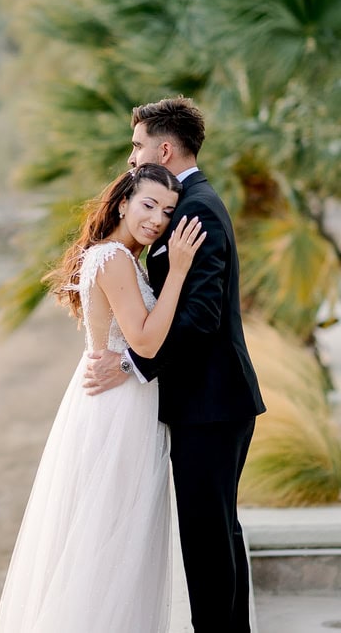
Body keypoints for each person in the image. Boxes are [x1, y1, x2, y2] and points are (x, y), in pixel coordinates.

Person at [0, 163, 205, 633]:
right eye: (148, 205)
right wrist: (181, 271)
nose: (157, 220)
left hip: (122, 399)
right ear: (123, 201)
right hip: (118, 408)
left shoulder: (120, 257)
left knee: (117, 537)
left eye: (168, 212)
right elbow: (146, 342)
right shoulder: (112, 259)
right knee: (111, 537)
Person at [84, 97, 266, 633]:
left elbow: (203, 316)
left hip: (211, 401)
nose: (131, 156)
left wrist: (134, 367)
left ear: (163, 148)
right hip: (210, 400)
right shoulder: (183, 205)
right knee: (217, 534)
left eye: (137, 145)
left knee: (208, 539)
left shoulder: (195, 209)